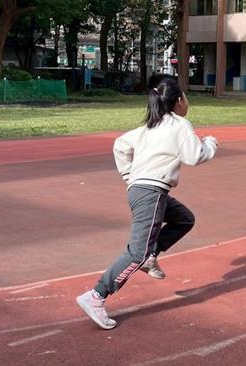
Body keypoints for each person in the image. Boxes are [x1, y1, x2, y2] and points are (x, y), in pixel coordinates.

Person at [76, 77, 216, 330]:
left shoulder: (150, 126)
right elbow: (194, 156)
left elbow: (120, 145)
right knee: (137, 253)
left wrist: (128, 175)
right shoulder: (179, 124)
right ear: (179, 101)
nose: (187, 102)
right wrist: (210, 143)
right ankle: (96, 295)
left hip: (143, 190)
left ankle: (151, 254)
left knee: (184, 219)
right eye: (185, 97)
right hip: (151, 192)